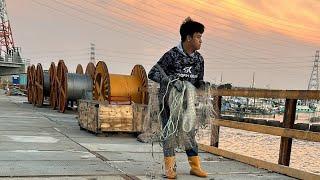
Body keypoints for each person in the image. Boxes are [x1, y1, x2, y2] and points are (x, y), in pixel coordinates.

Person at [148, 17, 208, 179]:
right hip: (168, 102)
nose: (201, 41)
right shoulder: (171, 55)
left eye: (201, 37)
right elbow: (152, 73)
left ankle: (195, 166)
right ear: (188, 38)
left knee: (189, 132)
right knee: (169, 132)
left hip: (187, 103)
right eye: (198, 37)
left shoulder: (199, 59)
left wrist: (203, 85)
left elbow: (197, 81)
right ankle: (170, 168)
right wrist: (170, 80)